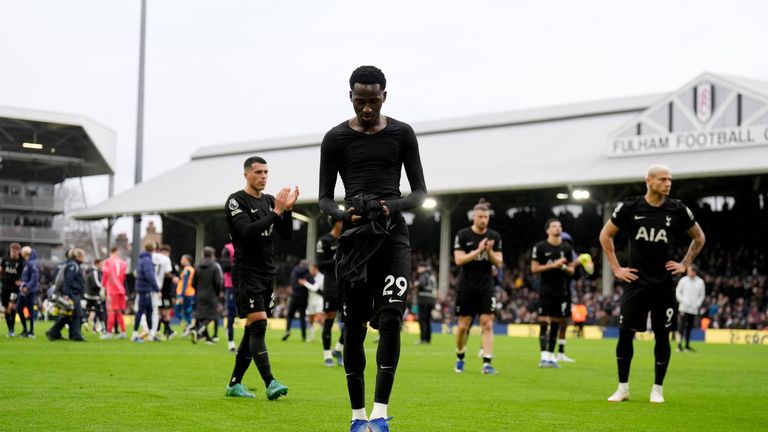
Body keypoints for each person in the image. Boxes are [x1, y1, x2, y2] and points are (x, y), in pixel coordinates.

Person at [319, 65, 427, 432]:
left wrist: (387, 207)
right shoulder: (335, 138)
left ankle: (380, 415)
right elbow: (323, 200)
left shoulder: (402, 133)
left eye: (374, 100)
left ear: (385, 96)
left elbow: (420, 194)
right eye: (361, 101)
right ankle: (356, 417)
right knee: (353, 327)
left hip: (393, 235)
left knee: (393, 319)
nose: (367, 109)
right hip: (355, 241)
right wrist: (344, 214)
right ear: (350, 97)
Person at [599, 164, 705, 403]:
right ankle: (622, 388)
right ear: (649, 180)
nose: (668, 183)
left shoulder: (677, 209)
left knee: (662, 336)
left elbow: (699, 237)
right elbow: (605, 235)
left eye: (670, 179)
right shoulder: (630, 207)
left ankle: (657, 389)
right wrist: (616, 268)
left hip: (663, 284)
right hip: (635, 282)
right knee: (625, 335)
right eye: (663, 179)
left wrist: (684, 263)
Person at [224, 155, 297, 400]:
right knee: (259, 325)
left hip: (268, 272)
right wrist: (276, 211)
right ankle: (270, 382)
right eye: (258, 172)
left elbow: (286, 234)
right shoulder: (236, 201)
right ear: (246, 174)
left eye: (266, 172)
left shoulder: (268, 201)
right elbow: (247, 231)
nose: (263, 176)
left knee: (252, 330)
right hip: (247, 271)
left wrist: (286, 211)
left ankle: (234, 384)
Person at [453, 199, 503, 375]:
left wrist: (489, 251)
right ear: (474, 217)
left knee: (487, 324)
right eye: (480, 216)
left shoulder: (495, 236)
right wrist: (478, 250)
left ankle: (487, 363)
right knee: (463, 326)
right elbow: (458, 260)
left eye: (486, 217)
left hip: (486, 286)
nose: (483, 220)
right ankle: (460, 356)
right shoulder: (463, 235)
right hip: (466, 286)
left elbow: (499, 262)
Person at [531, 219, 575, 368]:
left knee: (556, 322)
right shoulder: (540, 247)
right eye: (554, 226)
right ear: (547, 230)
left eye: (560, 226)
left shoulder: (567, 248)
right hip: (545, 290)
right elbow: (534, 269)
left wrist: (562, 267)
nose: (558, 228)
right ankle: (543, 356)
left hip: (561, 290)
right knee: (544, 321)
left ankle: (551, 356)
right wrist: (553, 265)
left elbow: (571, 270)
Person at [316, 218, 344, 366]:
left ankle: (339, 349)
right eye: (342, 221)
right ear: (335, 223)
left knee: (352, 320)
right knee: (330, 316)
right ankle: (327, 354)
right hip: (331, 284)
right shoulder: (325, 241)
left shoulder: (348, 237)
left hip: (347, 283)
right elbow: (319, 264)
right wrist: (336, 260)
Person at [46, 248, 87, 342]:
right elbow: (68, 280)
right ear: (78, 256)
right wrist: (66, 294)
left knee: (69, 315)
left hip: (72, 293)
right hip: (72, 293)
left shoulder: (72, 265)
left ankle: (54, 332)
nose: (84, 258)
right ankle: (75, 335)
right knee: (77, 314)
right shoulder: (73, 266)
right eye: (83, 256)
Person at [191, 246, 223, 344]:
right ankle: (198, 330)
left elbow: (193, 282)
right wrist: (217, 293)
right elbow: (218, 282)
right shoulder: (214, 266)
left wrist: (198, 291)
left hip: (200, 294)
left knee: (201, 316)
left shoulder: (198, 266)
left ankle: (207, 337)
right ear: (212, 255)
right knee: (213, 315)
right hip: (211, 294)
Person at [132, 242, 160, 343]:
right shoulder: (147, 260)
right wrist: (157, 288)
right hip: (145, 289)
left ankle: (151, 334)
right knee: (142, 311)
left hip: (143, 288)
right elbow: (150, 275)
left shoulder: (141, 259)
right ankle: (135, 334)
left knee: (149, 311)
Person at [676, 265, 705, 352]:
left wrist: (698, 304)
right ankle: (679, 345)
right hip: (683, 308)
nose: (688, 272)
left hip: (693, 309)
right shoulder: (683, 280)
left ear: (694, 272)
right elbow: (678, 291)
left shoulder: (700, 282)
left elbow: (702, 295)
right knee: (681, 327)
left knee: (689, 328)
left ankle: (687, 346)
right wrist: (681, 301)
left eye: (690, 271)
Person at [281, 260, 311, 342]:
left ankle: (287, 331)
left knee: (290, 316)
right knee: (302, 318)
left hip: (294, 296)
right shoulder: (307, 274)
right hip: (303, 298)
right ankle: (304, 336)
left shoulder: (294, 271)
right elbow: (312, 283)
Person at [102, 247, 127, 339]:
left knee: (111, 312)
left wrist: (103, 286)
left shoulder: (107, 262)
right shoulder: (123, 263)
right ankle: (123, 332)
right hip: (121, 290)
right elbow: (124, 277)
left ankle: (109, 333)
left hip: (112, 290)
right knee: (119, 312)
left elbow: (105, 275)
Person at [299, 263, 325, 353]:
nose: (311, 271)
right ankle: (312, 336)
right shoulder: (310, 277)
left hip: (319, 301)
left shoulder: (321, 277)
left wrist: (304, 283)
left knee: (321, 319)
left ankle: (323, 337)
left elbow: (315, 288)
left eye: (312, 270)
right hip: (311, 301)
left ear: (316, 269)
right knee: (310, 320)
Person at [151, 243, 173, 341]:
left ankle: (165, 330)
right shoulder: (163, 260)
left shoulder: (168, 261)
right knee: (161, 311)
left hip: (164, 291)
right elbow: (168, 273)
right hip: (160, 290)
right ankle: (164, 330)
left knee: (164, 311)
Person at [1, 243, 24, 337]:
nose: (14, 253)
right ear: (10, 250)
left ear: (18, 251)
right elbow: (1, 269)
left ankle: (12, 329)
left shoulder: (21, 262)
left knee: (12, 307)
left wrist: (21, 281)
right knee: (6, 309)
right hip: (5, 287)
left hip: (14, 288)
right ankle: (9, 329)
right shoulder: (5, 260)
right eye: (12, 251)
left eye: (15, 251)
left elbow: (24, 274)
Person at [18, 246, 39, 338]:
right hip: (23, 291)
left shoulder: (31, 263)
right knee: (19, 309)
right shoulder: (26, 263)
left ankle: (31, 331)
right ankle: (25, 330)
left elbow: (35, 278)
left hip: (30, 291)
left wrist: (28, 287)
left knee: (30, 311)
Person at [413, 262, 437, 345]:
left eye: (419, 267)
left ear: (423, 268)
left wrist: (416, 284)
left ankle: (423, 339)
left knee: (422, 320)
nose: (418, 269)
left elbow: (422, 283)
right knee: (427, 320)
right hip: (431, 299)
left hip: (424, 299)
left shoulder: (424, 274)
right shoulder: (432, 275)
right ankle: (428, 339)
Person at [157, 245, 177, 340]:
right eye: (163, 252)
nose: (164, 254)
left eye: (166, 252)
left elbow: (174, 279)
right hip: (158, 291)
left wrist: (173, 294)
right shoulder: (158, 263)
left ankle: (166, 330)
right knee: (159, 312)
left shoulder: (171, 264)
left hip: (167, 292)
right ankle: (166, 330)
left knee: (166, 312)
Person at [220, 242, 237, 352]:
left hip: (247, 285)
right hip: (232, 285)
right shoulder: (228, 248)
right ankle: (231, 342)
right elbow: (225, 267)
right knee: (232, 314)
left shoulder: (248, 245)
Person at [83, 259, 106, 335]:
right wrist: (103, 287)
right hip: (94, 295)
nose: (101, 266)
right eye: (101, 264)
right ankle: (102, 328)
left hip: (87, 294)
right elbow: (96, 283)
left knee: (88, 309)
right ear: (97, 263)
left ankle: (86, 323)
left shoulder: (88, 270)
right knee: (99, 311)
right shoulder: (95, 271)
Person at [175, 254, 196, 335]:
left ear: (187, 260)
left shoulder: (187, 269)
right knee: (187, 312)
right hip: (189, 293)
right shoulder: (191, 269)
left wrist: (181, 295)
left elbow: (185, 283)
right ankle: (189, 327)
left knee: (177, 311)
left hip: (185, 294)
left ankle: (188, 326)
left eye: (182, 259)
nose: (181, 260)